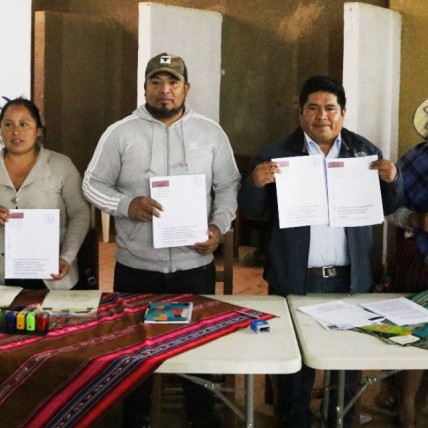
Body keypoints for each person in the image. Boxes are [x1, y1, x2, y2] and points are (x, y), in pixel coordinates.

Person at [82, 52, 240, 428]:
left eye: (172, 83)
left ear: (186, 88)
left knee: (197, 351)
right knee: (134, 353)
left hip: (194, 267)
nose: (164, 90)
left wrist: (218, 229)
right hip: (137, 268)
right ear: (146, 87)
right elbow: (91, 184)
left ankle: (199, 418)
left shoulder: (210, 133)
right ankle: (136, 419)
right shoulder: (120, 133)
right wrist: (125, 204)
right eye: (156, 82)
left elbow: (229, 187)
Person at [238, 75, 403, 427]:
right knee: (295, 367)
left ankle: (338, 419)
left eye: (330, 108)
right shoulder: (277, 152)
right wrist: (255, 181)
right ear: (300, 112)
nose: (321, 116)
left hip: (350, 279)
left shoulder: (363, 151)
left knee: (345, 364)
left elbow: (387, 207)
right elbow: (250, 208)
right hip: (295, 279)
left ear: (343, 113)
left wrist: (392, 178)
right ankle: (294, 420)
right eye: (312, 107)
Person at [0, 98, 90, 290]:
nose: (16, 131)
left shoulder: (61, 165)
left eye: (24, 124)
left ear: (38, 130)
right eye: (8, 124)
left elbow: (80, 213)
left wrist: (66, 257)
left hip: (52, 275)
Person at [383, 136, 428, 428]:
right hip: (420, 262)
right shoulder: (418, 158)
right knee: (414, 337)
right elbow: (388, 209)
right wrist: (416, 220)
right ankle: (406, 406)